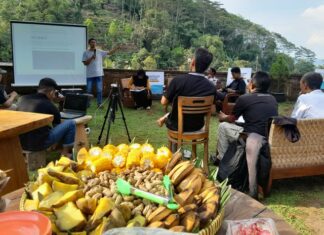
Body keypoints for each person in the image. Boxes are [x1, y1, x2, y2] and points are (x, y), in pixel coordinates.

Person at [216, 71, 278, 198]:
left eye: (249, 81)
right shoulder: (272, 99)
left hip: (249, 136)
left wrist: (223, 117)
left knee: (223, 127)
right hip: (265, 136)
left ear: (252, 85)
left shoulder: (245, 98)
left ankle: (224, 162)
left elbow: (233, 118)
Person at [157, 48, 216, 132]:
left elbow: (163, 102)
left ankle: (166, 120)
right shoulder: (211, 86)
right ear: (207, 67)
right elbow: (213, 111)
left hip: (176, 125)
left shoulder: (177, 80)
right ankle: (166, 117)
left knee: (173, 114)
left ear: (193, 62)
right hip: (197, 126)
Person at [17, 78, 76, 157]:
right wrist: (59, 102)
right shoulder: (49, 105)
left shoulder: (22, 99)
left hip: (21, 143)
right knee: (71, 123)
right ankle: (65, 153)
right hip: (38, 145)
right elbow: (57, 126)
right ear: (52, 92)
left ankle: (59, 149)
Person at [82, 38, 122, 108]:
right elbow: (85, 63)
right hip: (89, 75)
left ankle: (99, 104)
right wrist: (91, 58)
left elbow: (109, 53)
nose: (93, 43)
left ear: (96, 43)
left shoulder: (99, 51)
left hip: (99, 74)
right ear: (89, 43)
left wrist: (116, 48)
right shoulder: (86, 52)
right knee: (88, 90)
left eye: (94, 42)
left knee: (100, 90)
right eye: (92, 42)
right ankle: (87, 104)